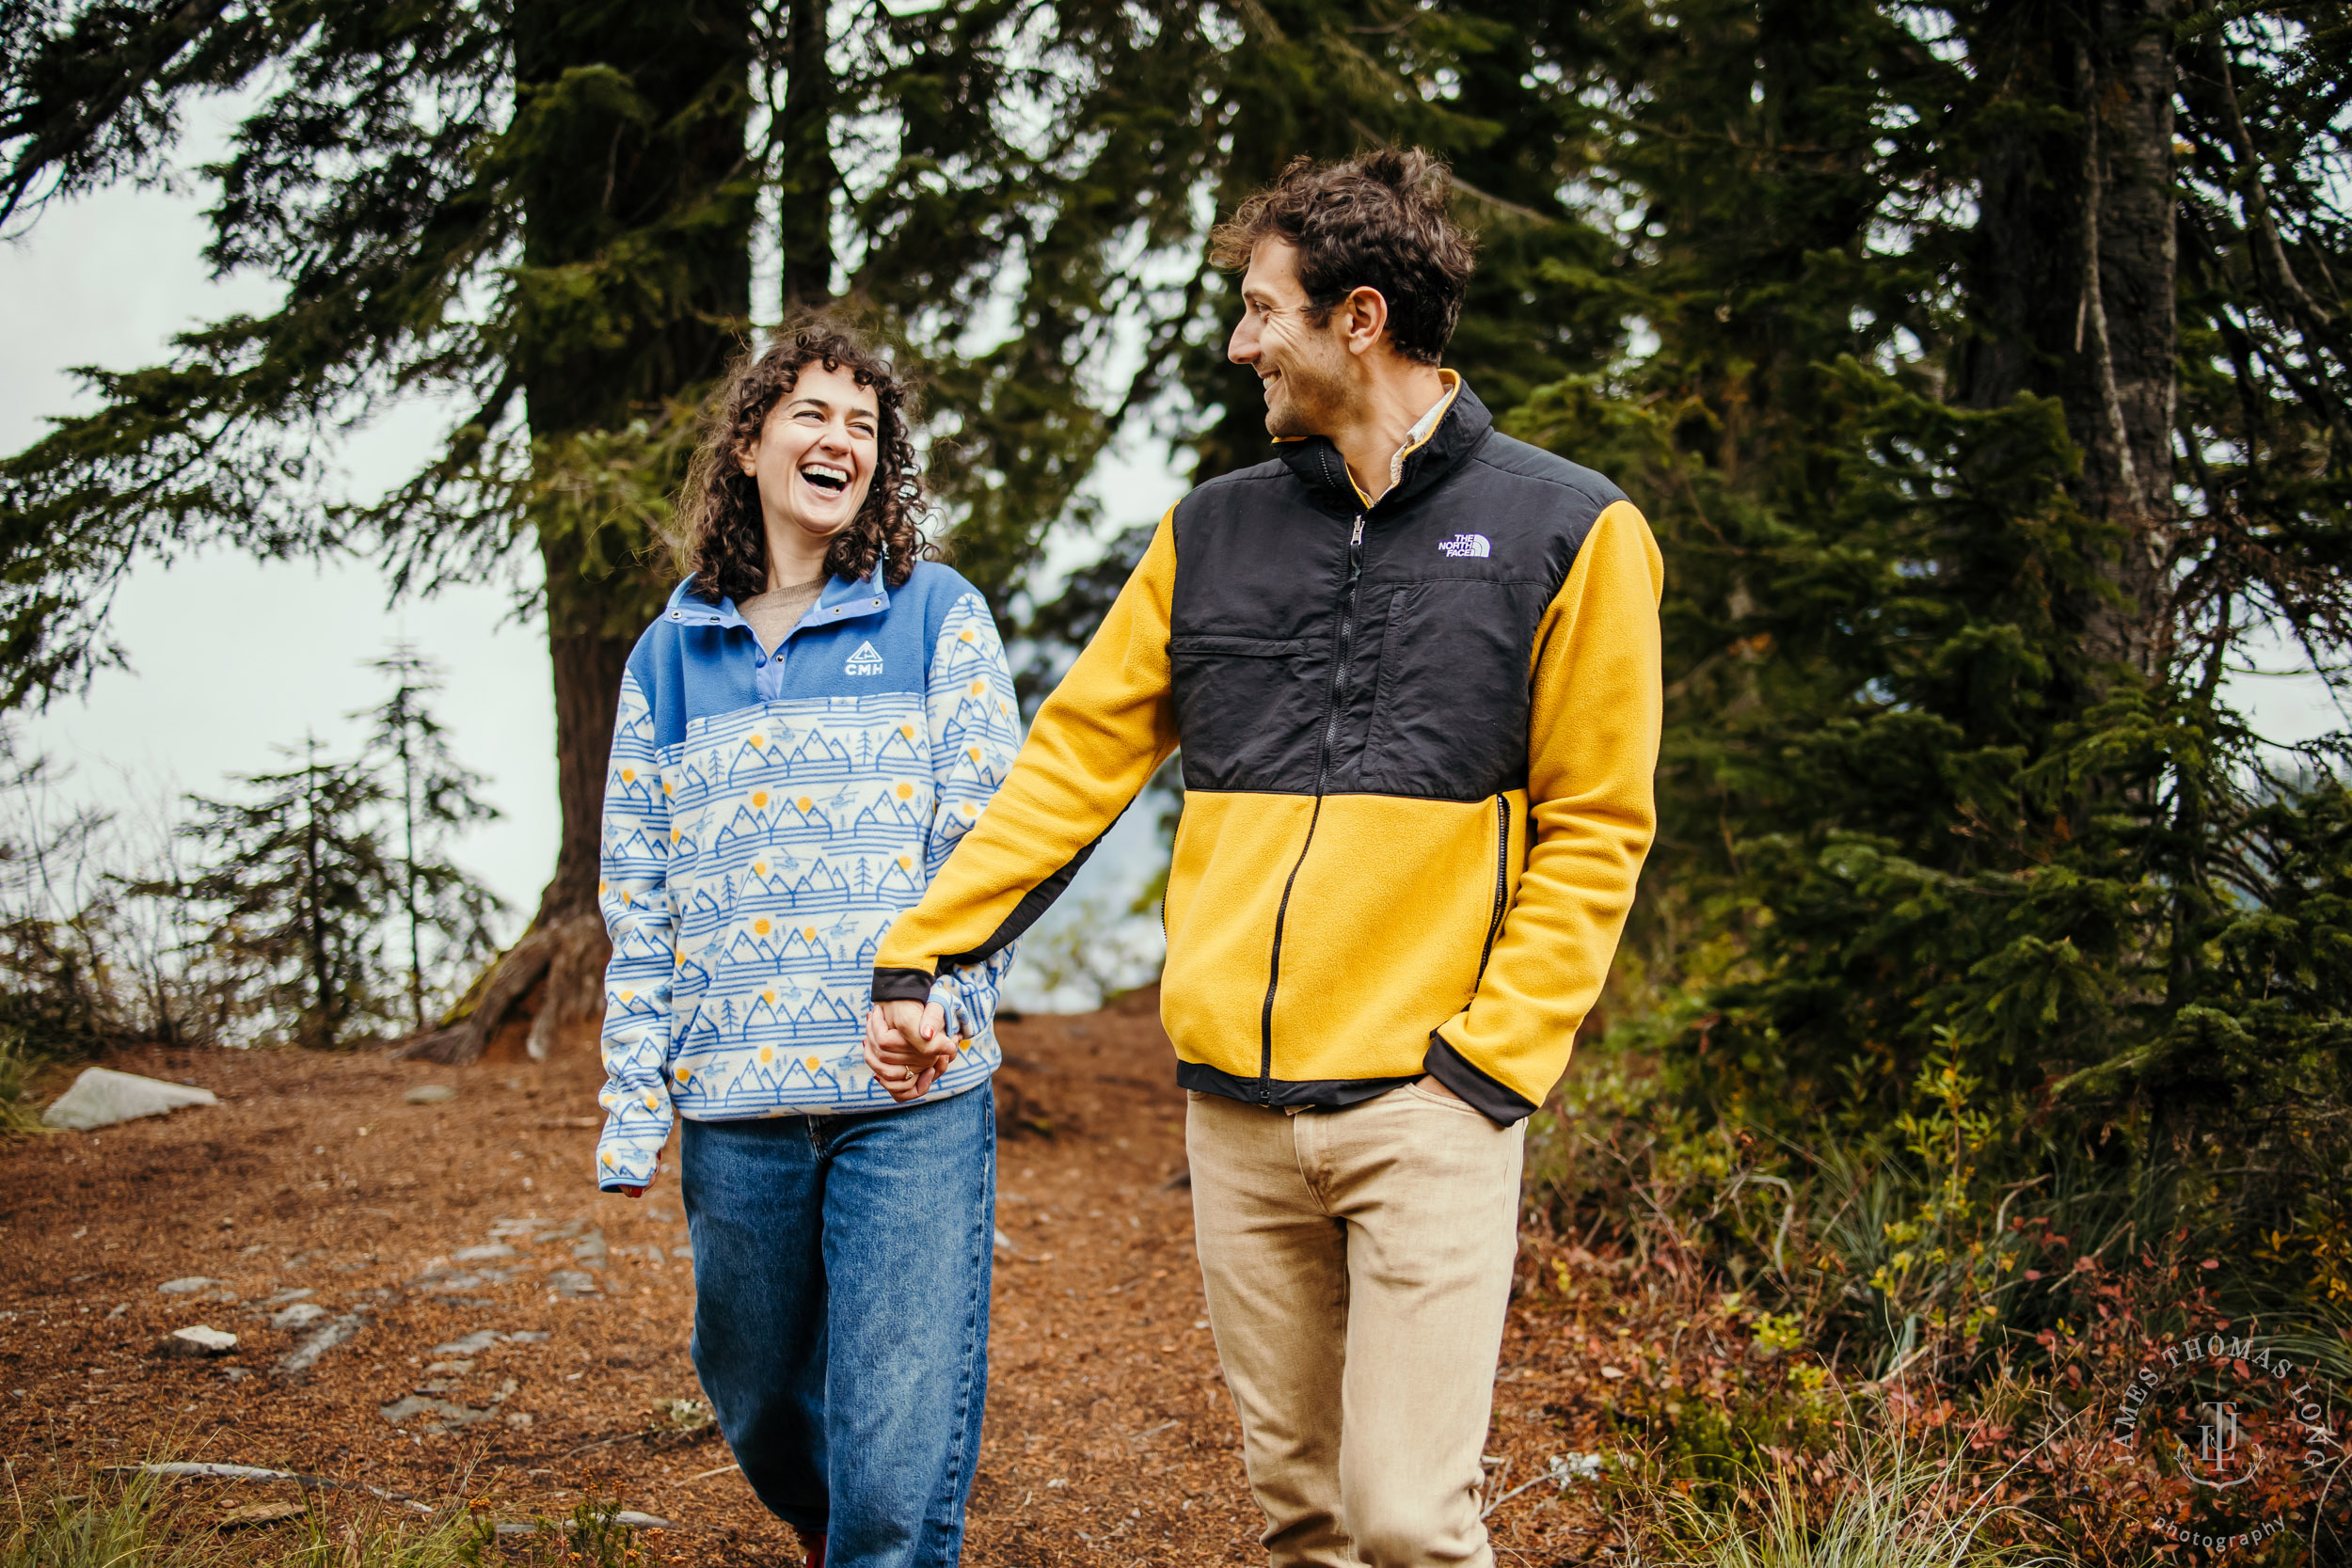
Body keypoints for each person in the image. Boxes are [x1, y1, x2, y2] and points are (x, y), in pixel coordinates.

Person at [866, 150, 1663, 1567]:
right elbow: (1076, 762)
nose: (1240, 344)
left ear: (1360, 318)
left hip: (1430, 1105)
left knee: (1410, 1524)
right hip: (1235, 1115)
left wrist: (1489, 1065)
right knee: (1304, 1520)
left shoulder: (1574, 530)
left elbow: (1599, 826)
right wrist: (931, 944)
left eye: (1260, 310)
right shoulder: (1211, 533)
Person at [590, 322, 1023, 1568]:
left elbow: (987, 835)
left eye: (864, 426)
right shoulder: (668, 658)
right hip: (736, 1106)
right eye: (811, 414)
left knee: (896, 1462)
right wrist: (635, 1095)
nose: (840, 440)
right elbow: (642, 894)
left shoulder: (936, 615)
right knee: (756, 1395)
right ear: (749, 442)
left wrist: (939, 996)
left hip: (910, 1098)